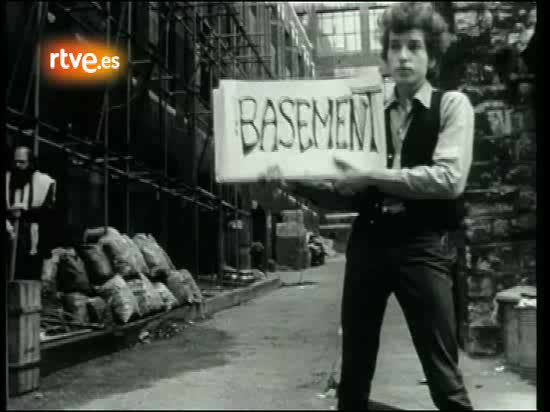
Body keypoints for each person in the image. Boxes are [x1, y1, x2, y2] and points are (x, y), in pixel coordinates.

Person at [261, 3, 474, 409]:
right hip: (369, 242)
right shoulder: (367, 112)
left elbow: (449, 179)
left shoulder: (451, 105)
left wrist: (372, 176)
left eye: (414, 47)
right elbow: (346, 191)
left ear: (431, 56)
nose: (403, 56)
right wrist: (290, 180)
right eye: (395, 47)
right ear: (385, 56)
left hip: (423, 245)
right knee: (355, 371)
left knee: (442, 372)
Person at [6, 145, 56, 280]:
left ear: (30, 163)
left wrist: (23, 213)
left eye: (22, 162)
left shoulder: (44, 182)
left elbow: (48, 212)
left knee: (26, 274)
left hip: (30, 234)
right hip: (8, 231)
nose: (17, 165)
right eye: (15, 161)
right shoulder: (7, 178)